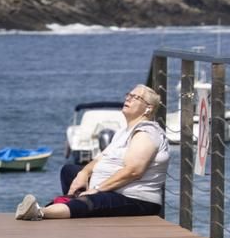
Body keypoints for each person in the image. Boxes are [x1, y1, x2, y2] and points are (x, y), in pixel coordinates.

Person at [17, 85, 169, 221]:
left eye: (135, 97)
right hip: (111, 190)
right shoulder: (123, 132)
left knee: (93, 201)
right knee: (70, 171)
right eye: (128, 95)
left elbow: (134, 171)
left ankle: (40, 212)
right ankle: (65, 206)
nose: (128, 98)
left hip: (135, 199)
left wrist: (97, 189)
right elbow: (100, 159)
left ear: (148, 108)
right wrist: (83, 173)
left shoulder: (146, 132)